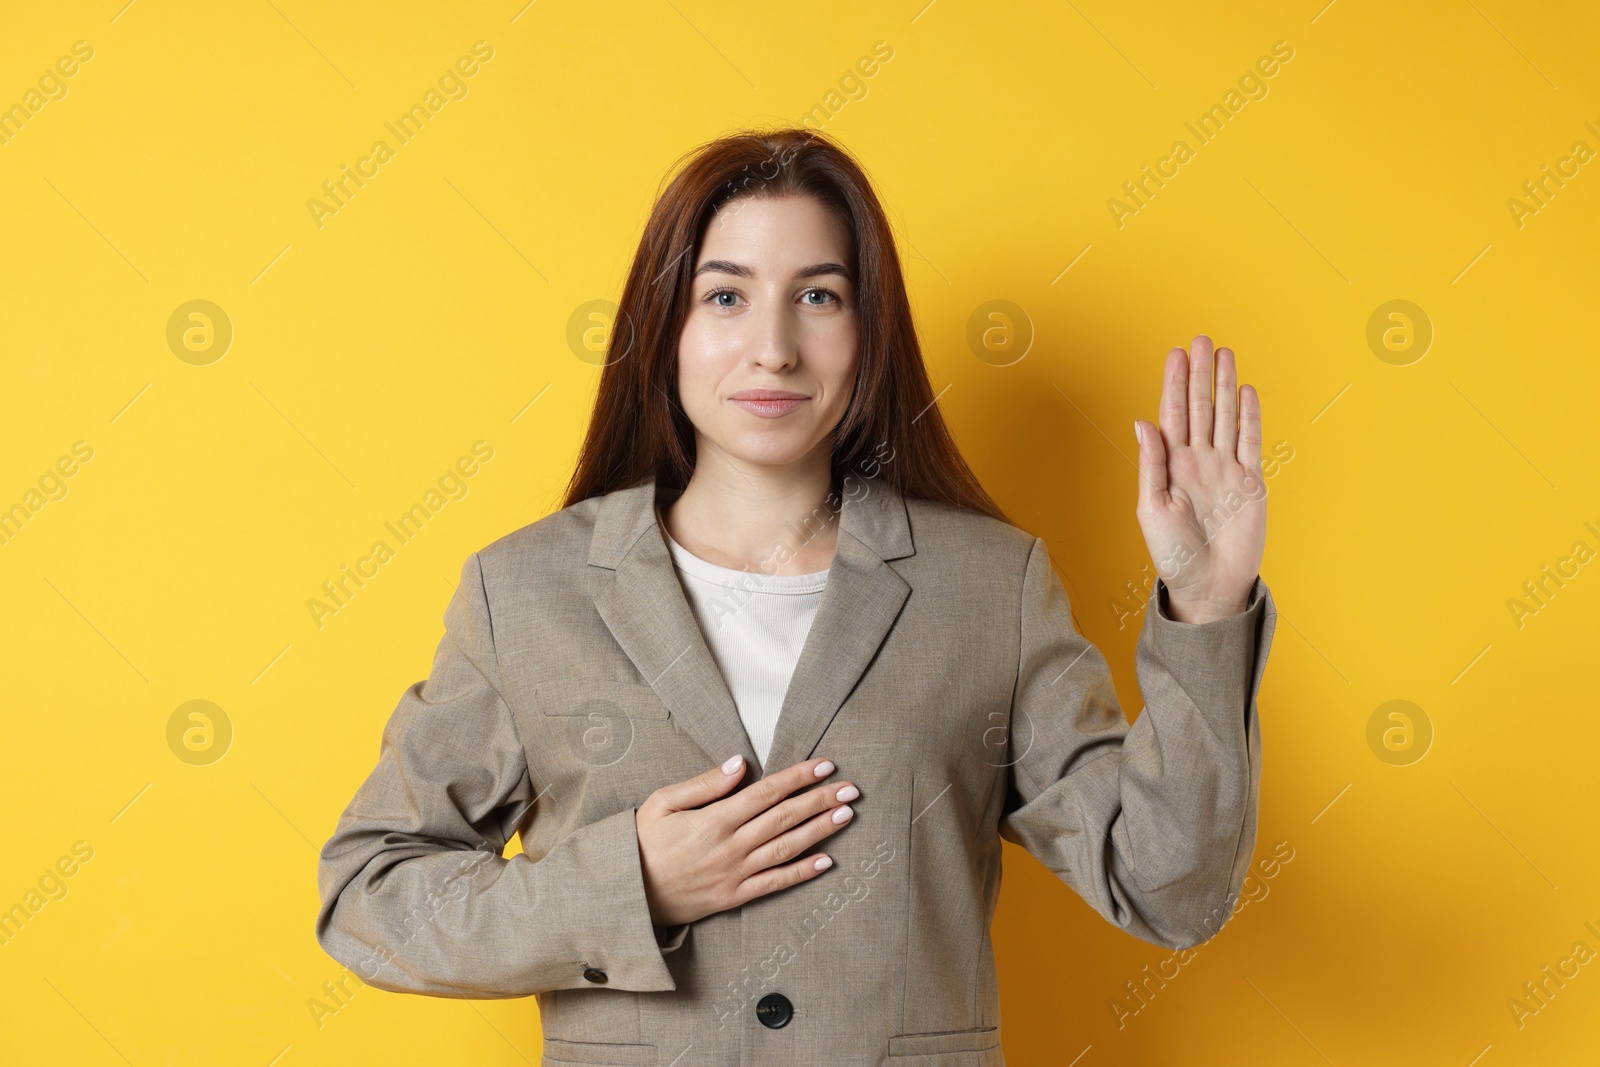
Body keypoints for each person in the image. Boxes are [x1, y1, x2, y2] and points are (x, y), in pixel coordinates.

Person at [315, 126, 1276, 1066]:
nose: (771, 347)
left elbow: (1168, 889)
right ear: (667, 329)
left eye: (818, 295)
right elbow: (369, 896)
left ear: (868, 329)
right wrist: (631, 883)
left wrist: (1206, 606)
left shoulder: (989, 585)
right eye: (725, 295)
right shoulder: (526, 591)